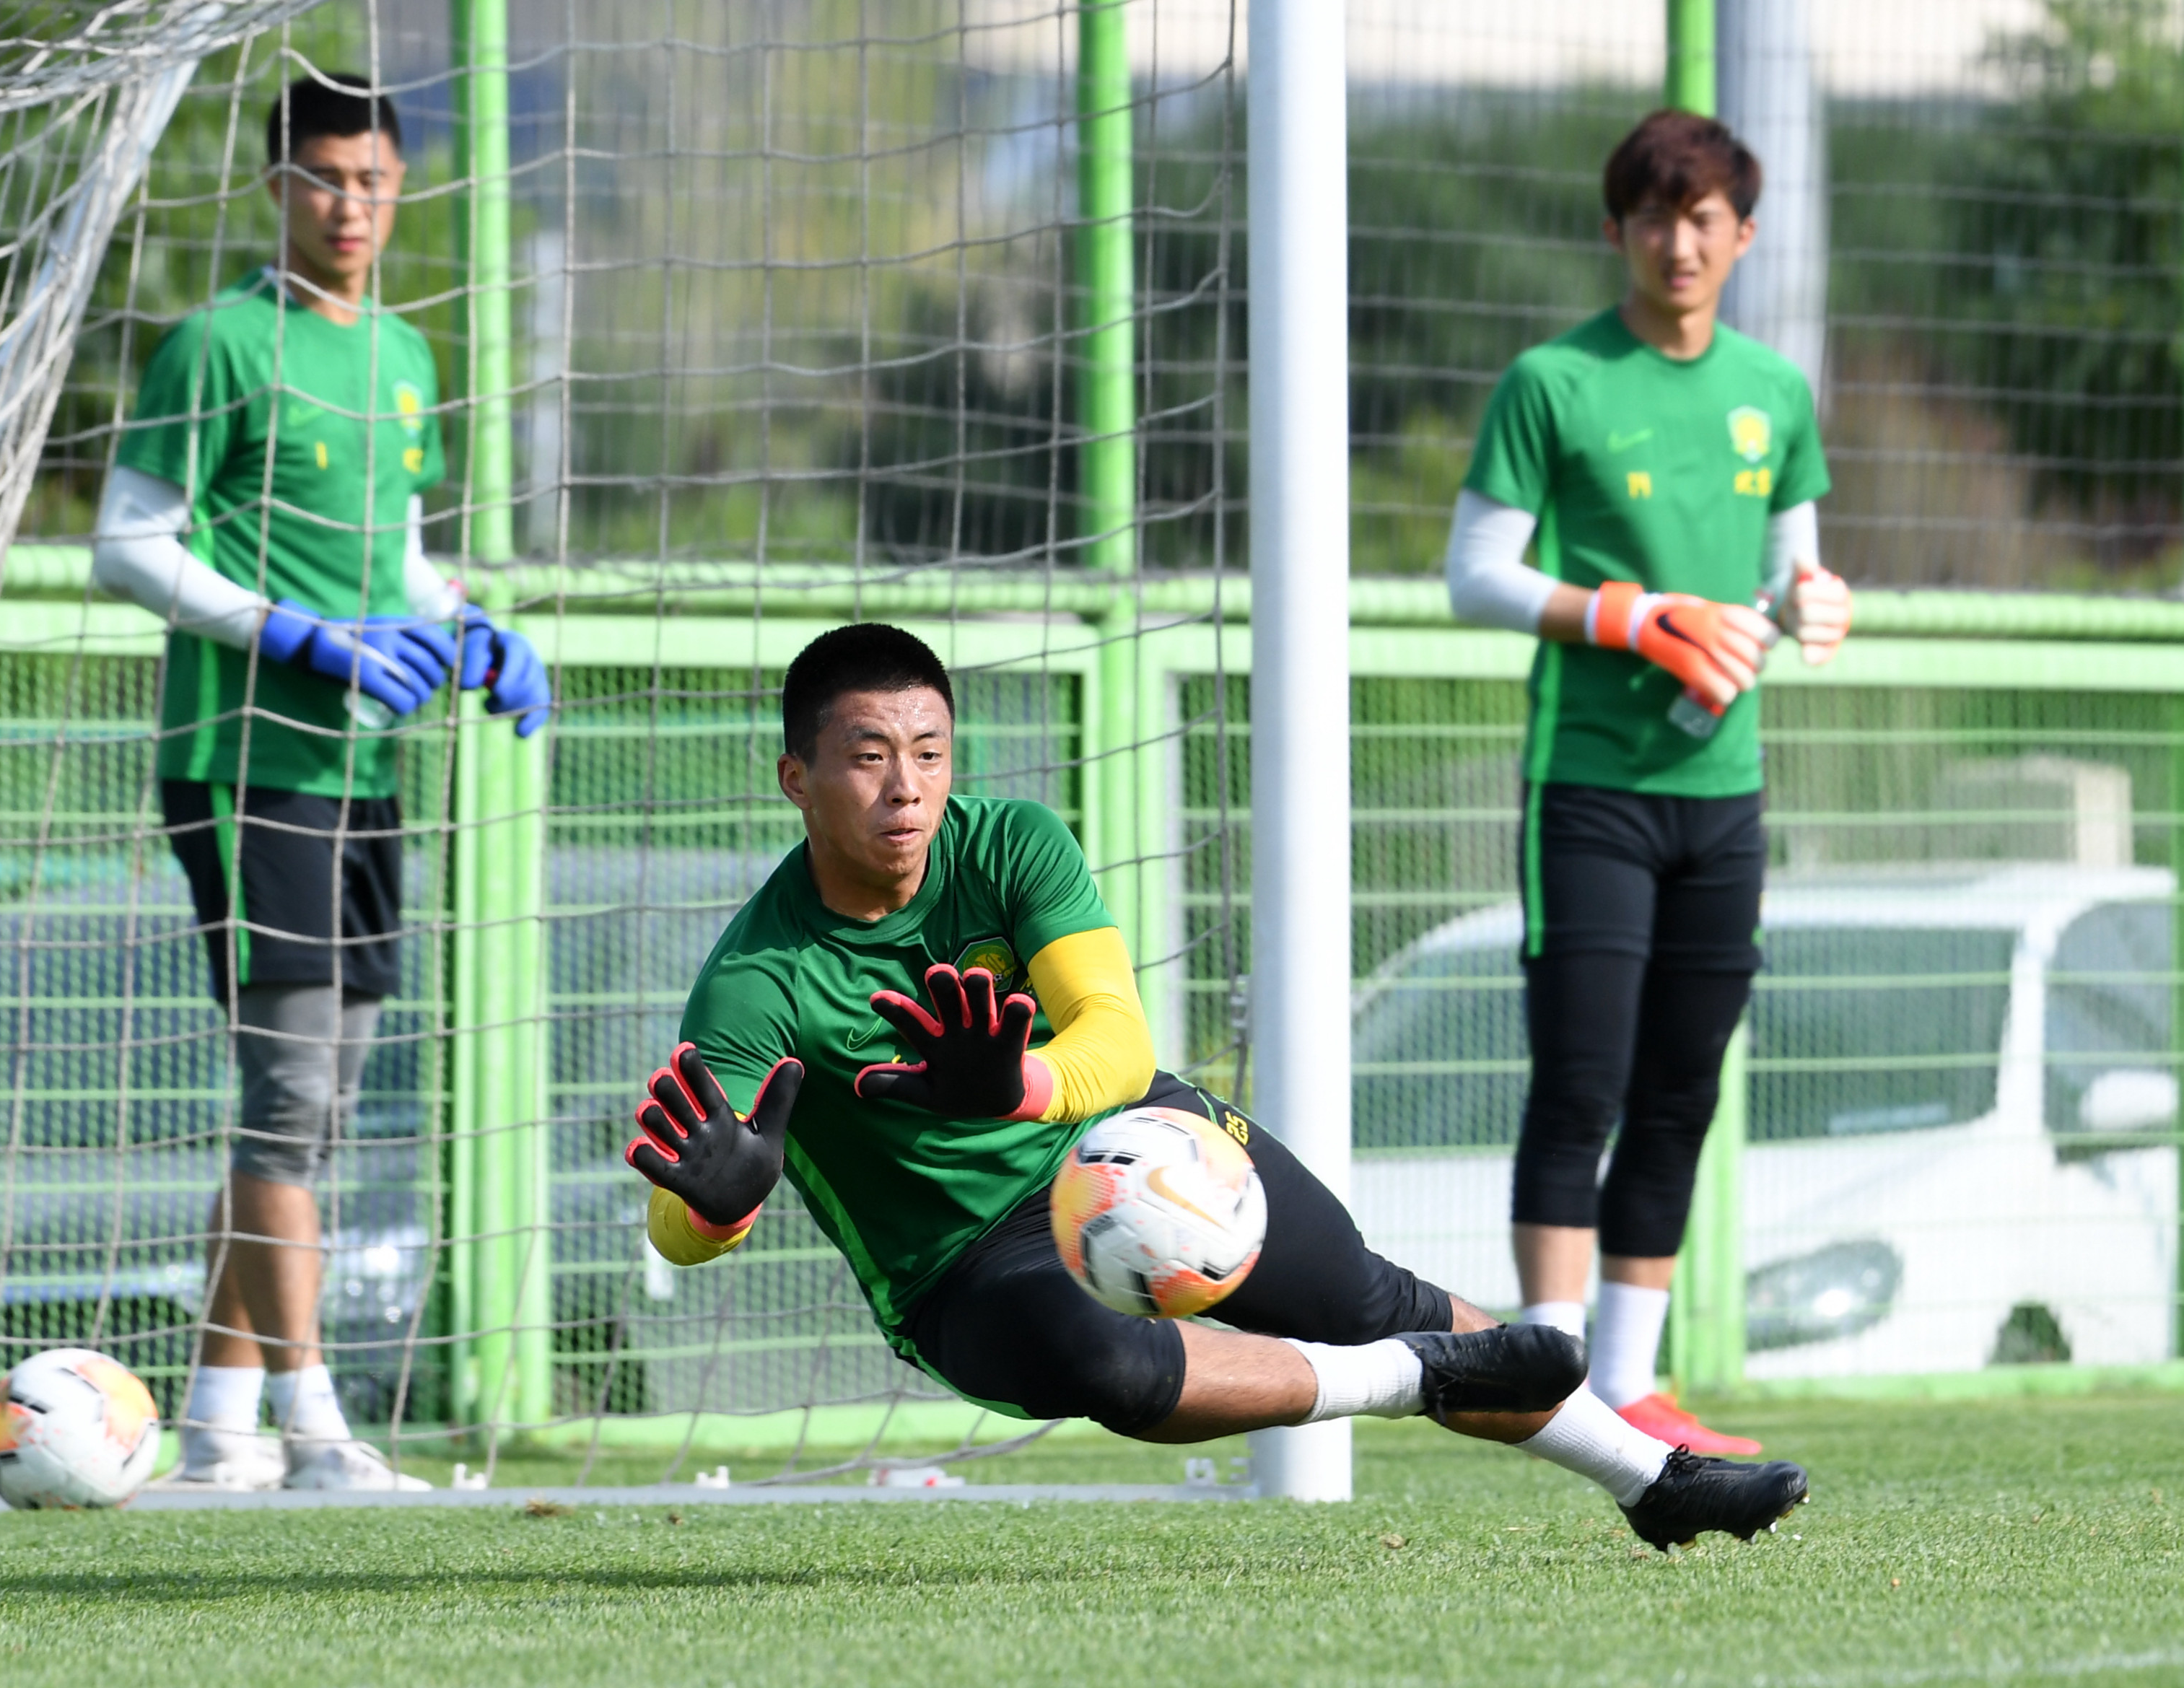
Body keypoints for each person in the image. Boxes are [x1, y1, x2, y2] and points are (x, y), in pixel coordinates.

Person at [625, 622, 1810, 1549]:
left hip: (1127, 1134)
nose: (905, 788)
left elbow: (1120, 1041)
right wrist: (719, 1202)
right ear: (795, 776)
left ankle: (1652, 1479)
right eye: (867, 757)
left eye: (928, 753)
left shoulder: (1014, 842)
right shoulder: (753, 984)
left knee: (1362, 1289)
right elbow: (678, 1223)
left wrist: (1021, 1088)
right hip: (957, 1267)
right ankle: (1406, 1382)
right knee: (1108, 1369)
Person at [91, 73, 550, 1490]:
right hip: (245, 761)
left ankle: (219, 1416)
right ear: (278, 185)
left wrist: (468, 621)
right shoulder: (217, 346)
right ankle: (317, 1429)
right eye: (327, 179)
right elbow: (128, 543)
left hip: (361, 769)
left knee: (323, 1099)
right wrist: (288, 635)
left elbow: (395, 554)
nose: (353, 207)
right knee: (288, 1092)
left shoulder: (406, 357)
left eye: (376, 183)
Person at [1444, 110, 1853, 1455]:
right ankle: (1546, 1378)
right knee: (1581, 1080)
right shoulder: (1553, 382)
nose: (1679, 242)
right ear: (1614, 229)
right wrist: (1634, 616)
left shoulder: (1772, 391)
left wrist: (1815, 600)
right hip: (1592, 787)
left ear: (1741, 234)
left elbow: (1792, 571)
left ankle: (1629, 1379)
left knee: (1683, 1085)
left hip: (1721, 792)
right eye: (1652, 217)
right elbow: (1476, 577)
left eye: (1704, 219)